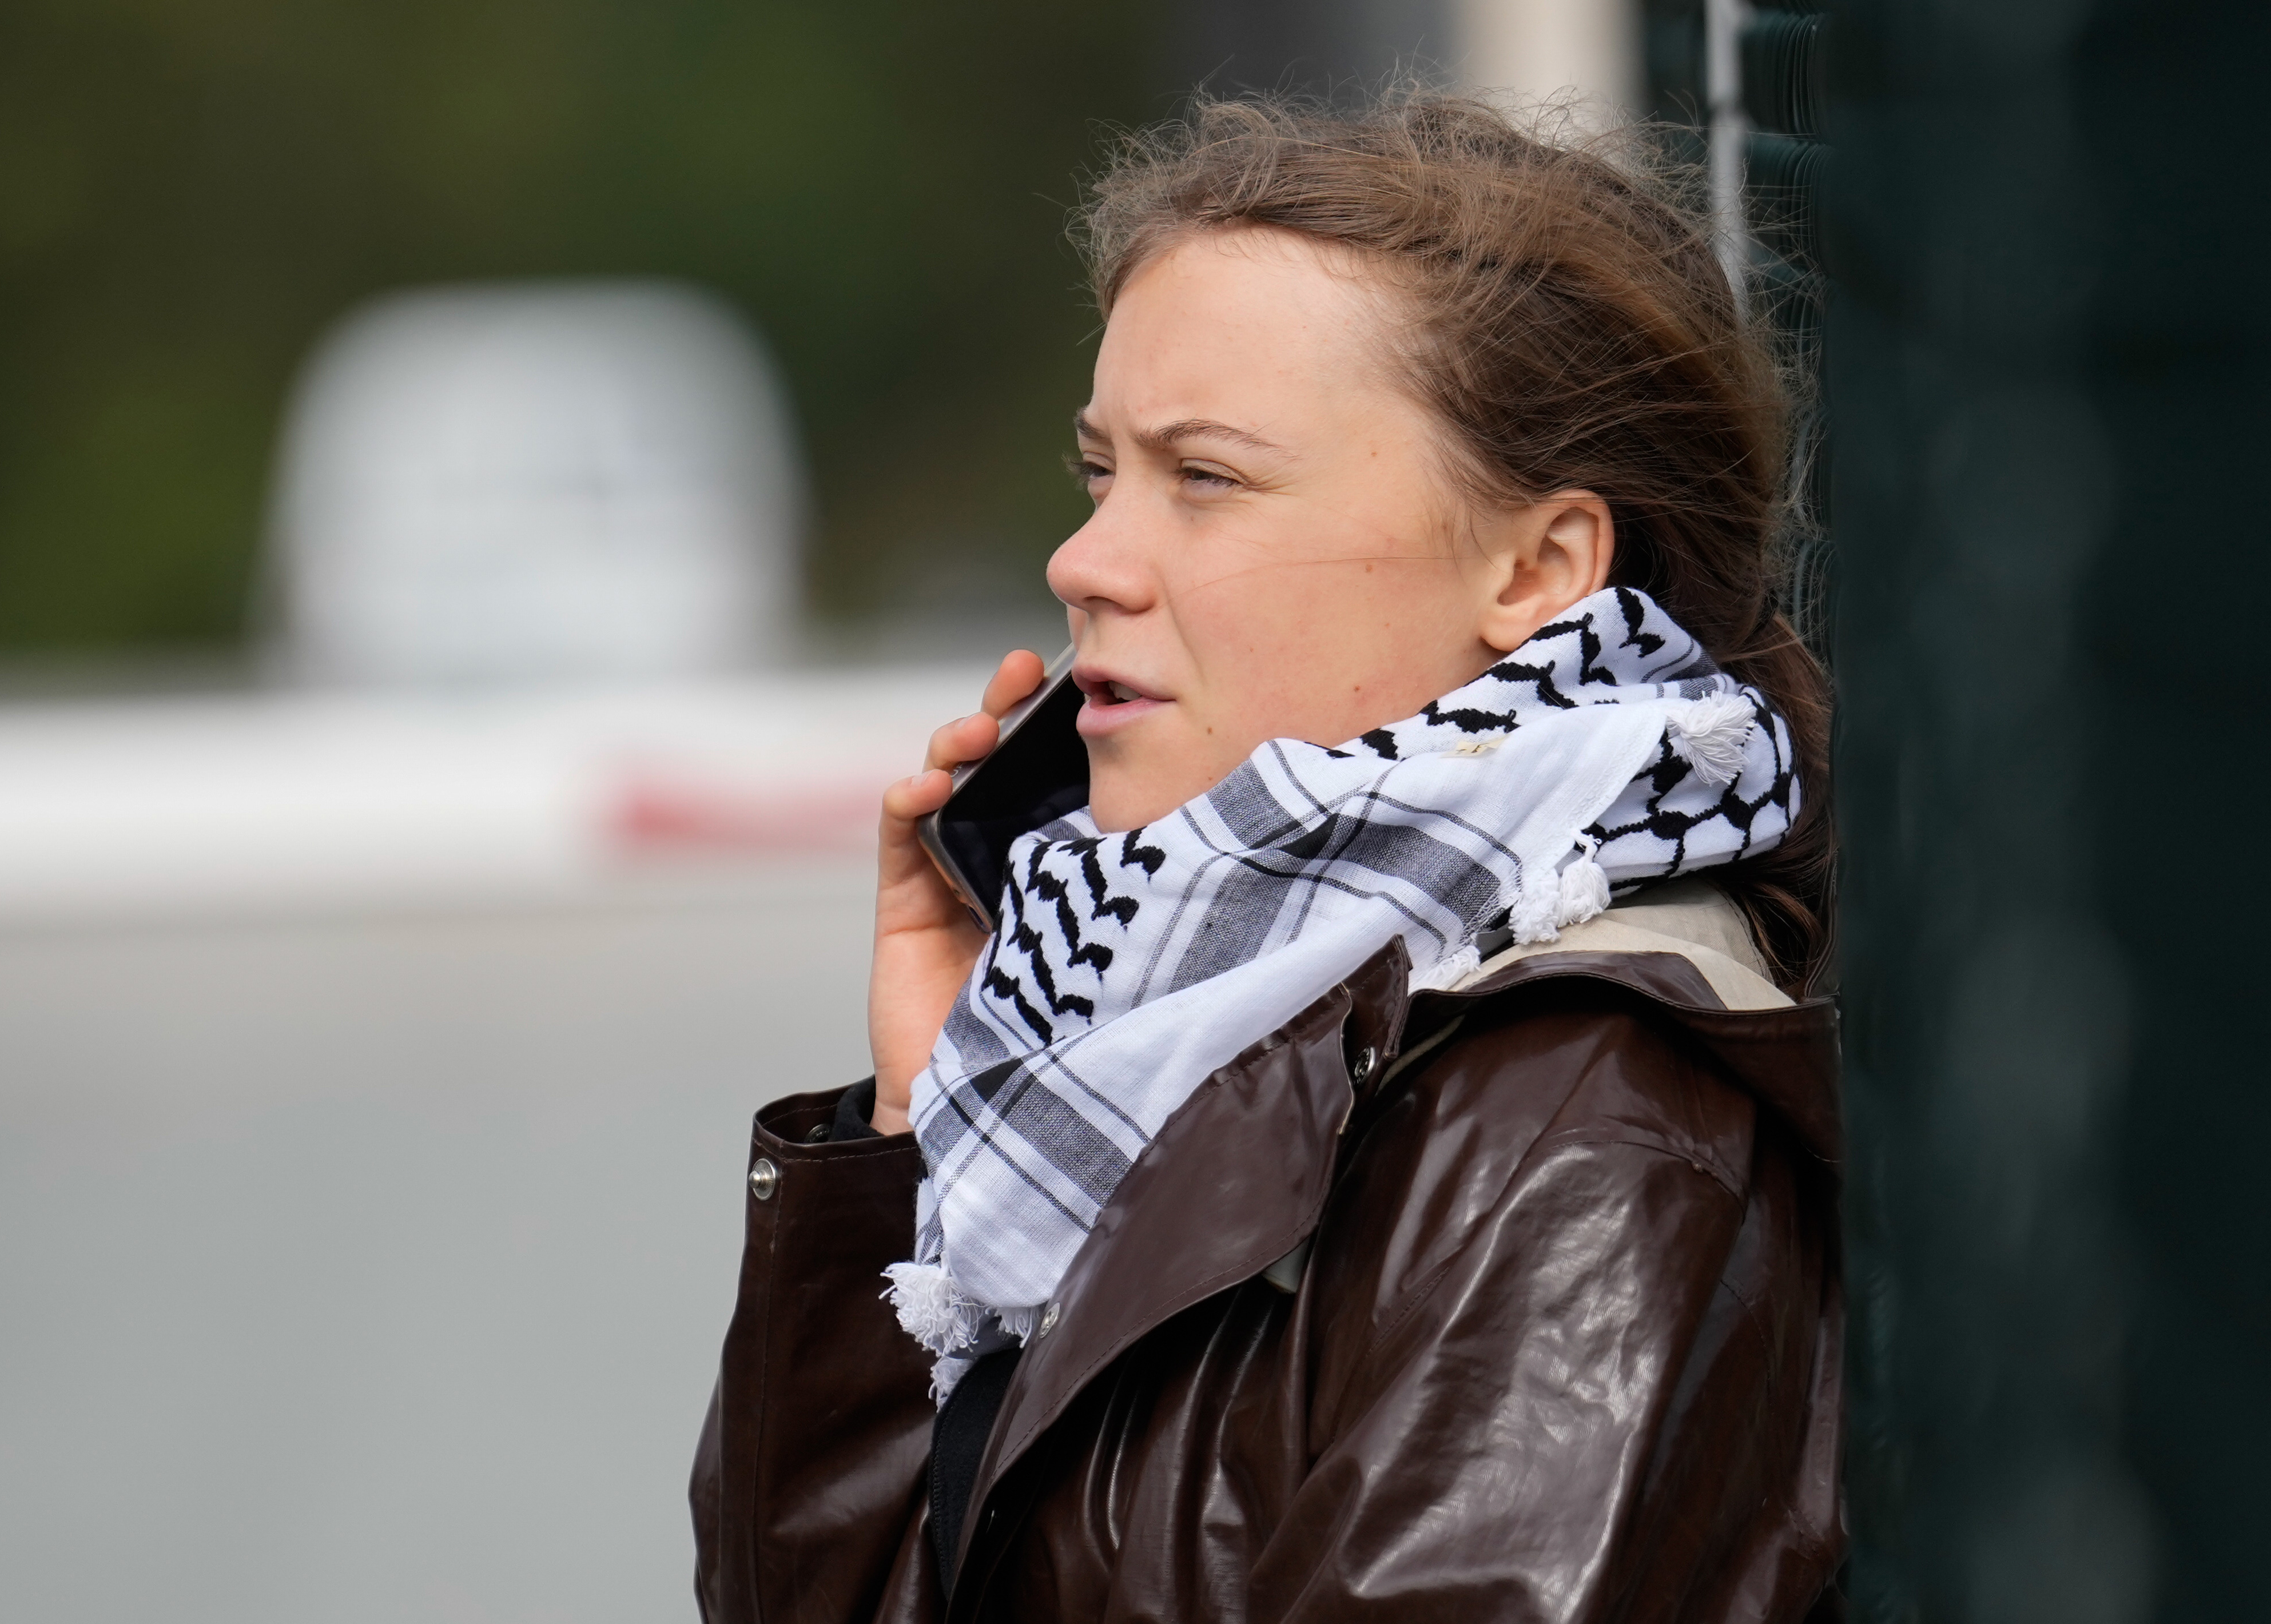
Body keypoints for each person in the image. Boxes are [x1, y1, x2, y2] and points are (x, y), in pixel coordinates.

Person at [693, 91, 1841, 1624]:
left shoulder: (1579, 1122)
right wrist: (909, 1131)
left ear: (1538, 570)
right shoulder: (1145, 1030)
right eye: (1101, 473)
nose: (1083, 561)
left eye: (1207, 477)